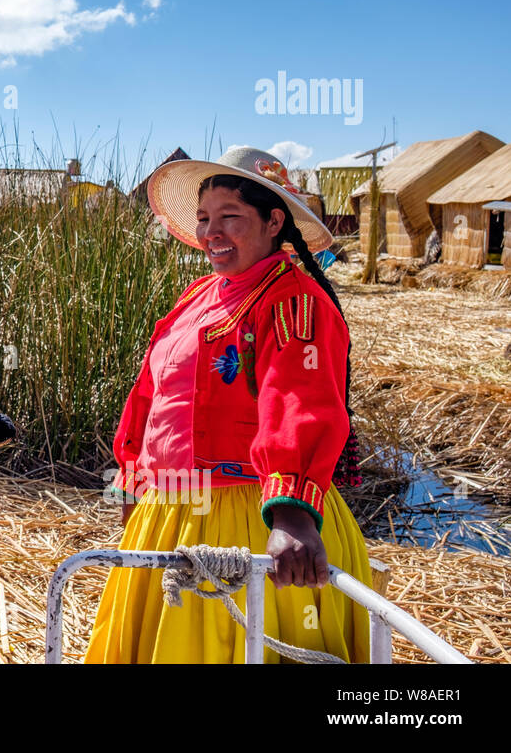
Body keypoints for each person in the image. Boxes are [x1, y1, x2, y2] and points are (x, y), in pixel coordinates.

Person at [85, 146, 372, 663]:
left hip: (249, 520)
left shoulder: (292, 300)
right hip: (171, 511)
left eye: (229, 218)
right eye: (203, 219)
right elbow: (150, 395)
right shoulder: (198, 296)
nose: (211, 232)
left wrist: (290, 517)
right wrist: (132, 480)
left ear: (273, 221)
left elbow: (300, 401)